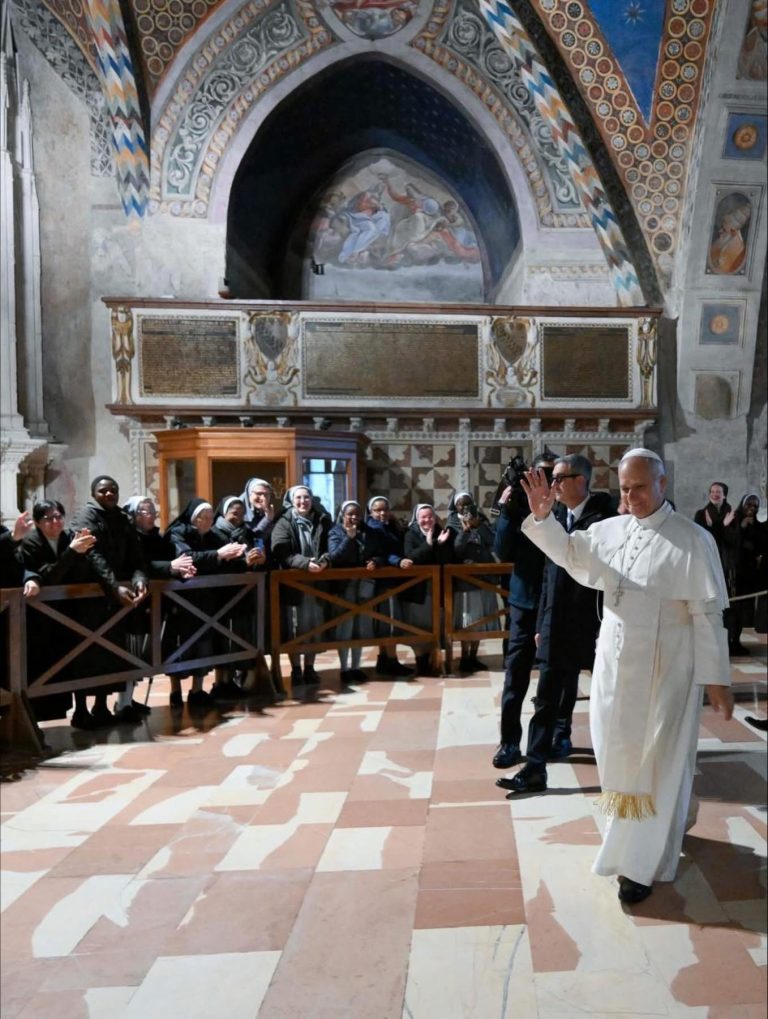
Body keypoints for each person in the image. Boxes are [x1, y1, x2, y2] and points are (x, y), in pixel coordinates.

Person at [519, 448, 733, 905]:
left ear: (662, 484)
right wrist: (543, 518)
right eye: (624, 488)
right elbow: (571, 554)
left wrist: (717, 678)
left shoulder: (693, 540)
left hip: (667, 667)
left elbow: (707, 615)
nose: (631, 497)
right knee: (614, 750)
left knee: (657, 760)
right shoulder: (610, 530)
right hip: (613, 663)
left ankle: (640, 864)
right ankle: (669, 820)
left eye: (639, 487)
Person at [497, 456, 614, 793]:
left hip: (593, 624)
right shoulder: (556, 517)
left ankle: (619, 768)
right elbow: (549, 575)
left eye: (560, 478)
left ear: (582, 481)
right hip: (555, 621)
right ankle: (535, 768)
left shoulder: (604, 520)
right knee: (545, 698)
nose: (554, 484)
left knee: (607, 697)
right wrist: (542, 623)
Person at [492, 451, 556, 769]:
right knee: (515, 674)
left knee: (555, 675)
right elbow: (502, 551)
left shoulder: (561, 506)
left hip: (556, 600)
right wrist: (507, 510)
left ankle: (555, 736)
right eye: (538, 474)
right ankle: (509, 742)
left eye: (549, 475)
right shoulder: (517, 505)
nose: (543, 481)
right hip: (525, 600)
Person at [71, 476, 149, 726]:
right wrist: (114, 586)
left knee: (110, 652)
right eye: (103, 490)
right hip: (88, 595)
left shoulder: (123, 518)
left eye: (113, 490)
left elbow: (136, 556)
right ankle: (81, 710)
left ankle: (102, 706)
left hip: (115, 598)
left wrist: (139, 579)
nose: (109, 494)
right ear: (94, 493)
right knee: (85, 653)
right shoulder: (85, 516)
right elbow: (92, 555)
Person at [19, 501, 98, 727]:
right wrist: (72, 553)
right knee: (46, 666)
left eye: (59, 517)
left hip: (71, 610)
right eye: (48, 518)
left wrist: (81, 553)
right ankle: (38, 719)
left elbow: (82, 573)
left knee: (77, 659)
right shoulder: (30, 543)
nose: (55, 522)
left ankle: (82, 710)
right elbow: (48, 577)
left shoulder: (70, 538)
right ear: (37, 522)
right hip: (41, 617)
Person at [165, 498, 250, 706]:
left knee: (203, 644)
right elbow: (187, 557)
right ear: (193, 517)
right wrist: (219, 554)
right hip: (181, 601)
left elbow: (225, 561)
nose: (207, 521)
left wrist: (245, 561)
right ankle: (175, 692)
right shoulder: (178, 532)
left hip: (206, 600)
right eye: (203, 517)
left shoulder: (213, 536)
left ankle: (197, 690)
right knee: (179, 647)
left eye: (211, 517)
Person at [270, 485, 332, 689]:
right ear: (291, 500)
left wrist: (325, 561)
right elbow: (280, 550)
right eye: (298, 497)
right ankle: (296, 668)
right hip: (294, 583)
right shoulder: (284, 521)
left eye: (306, 497)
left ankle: (310, 667)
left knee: (314, 624)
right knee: (295, 626)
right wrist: (305, 563)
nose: (303, 501)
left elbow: (330, 544)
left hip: (317, 581)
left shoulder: (322, 519)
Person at [327, 499, 383, 688]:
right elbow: (335, 557)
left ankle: (356, 667)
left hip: (364, 584)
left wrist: (376, 561)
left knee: (360, 625)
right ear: (342, 515)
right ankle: (344, 668)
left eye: (357, 514)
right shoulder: (335, 532)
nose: (354, 517)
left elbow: (379, 553)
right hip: (344, 585)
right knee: (345, 625)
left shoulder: (370, 532)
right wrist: (349, 538)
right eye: (350, 514)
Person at [445, 491, 499, 673]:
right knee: (467, 620)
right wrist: (466, 531)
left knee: (480, 619)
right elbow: (456, 550)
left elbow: (493, 541)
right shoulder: (452, 523)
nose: (465, 507)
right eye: (461, 504)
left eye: (468, 503)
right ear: (455, 506)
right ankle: (464, 657)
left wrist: (479, 526)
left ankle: (474, 656)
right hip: (464, 580)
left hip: (484, 577)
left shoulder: (481, 519)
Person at [402, 503, 454, 676]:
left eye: (430, 516)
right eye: (423, 517)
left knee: (438, 625)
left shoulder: (442, 532)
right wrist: (429, 544)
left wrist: (440, 544)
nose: (427, 520)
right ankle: (421, 664)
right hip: (419, 590)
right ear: (417, 519)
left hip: (439, 588)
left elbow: (447, 559)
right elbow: (411, 557)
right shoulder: (410, 534)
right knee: (420, 627)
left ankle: (436, 663)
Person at [365, 496, 414, 677]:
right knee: (390, 621)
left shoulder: (387, 526)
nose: (382, 513)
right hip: (384, 581)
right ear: (370, 512)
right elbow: (385, 553)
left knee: (385, 620)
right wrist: (398, 561)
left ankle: (384, 659)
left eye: (385, 509)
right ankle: (391, 661)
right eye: (377, 510)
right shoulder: (374, 528)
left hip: (388, 580)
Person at [694, 482, 739, 652]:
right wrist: (721, 526)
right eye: (712, 491)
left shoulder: (732, 514)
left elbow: (733, 540)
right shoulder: (701, 514)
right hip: (708, 563)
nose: (715, 494)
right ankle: (708, 641)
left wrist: (721, 526)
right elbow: (702, 539)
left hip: (727, 566)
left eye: (718, 492)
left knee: (728, 606)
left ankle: (729, 641)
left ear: (724, 494)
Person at [730, 493, 766, 654]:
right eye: (749, 505)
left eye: (755, 506)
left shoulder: (757, 525)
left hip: (749, 574)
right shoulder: (733, 521)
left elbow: (760, 545)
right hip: (734, 573)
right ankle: (730, 641)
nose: (752, 509)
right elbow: (730, 542)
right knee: (733, 610)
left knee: (743, 610)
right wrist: (742, 527)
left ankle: (737, 641)